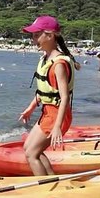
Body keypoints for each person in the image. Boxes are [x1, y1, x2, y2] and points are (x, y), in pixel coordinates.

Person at [18, 15, 78, 176]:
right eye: (32, 35)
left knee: (32, 154)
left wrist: (58, 127)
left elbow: (64, 97)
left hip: (57, 115)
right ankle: (51, 180)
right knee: (29, 148)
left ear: (50, 36)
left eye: (37, 35)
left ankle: (44, 189)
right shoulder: (46, 59)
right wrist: (31, 107)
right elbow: (46, 90)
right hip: (48, 112)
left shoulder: (58, 64)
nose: (33, 39)